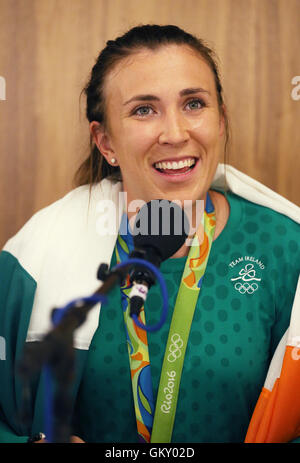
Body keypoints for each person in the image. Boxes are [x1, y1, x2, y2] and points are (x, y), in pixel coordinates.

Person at [0, 24, 299, 444]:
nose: (176, 134)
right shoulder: (37, 254)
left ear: (221, 121)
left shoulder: (283, 248)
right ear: (105, 141)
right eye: (144, 110)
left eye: (194, 103)